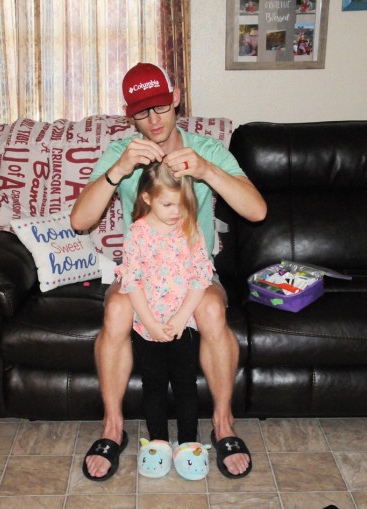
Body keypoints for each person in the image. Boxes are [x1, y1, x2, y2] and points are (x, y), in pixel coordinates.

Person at [70, 62, 267, 481]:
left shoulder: (205, 149)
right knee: (117, 313)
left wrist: (206, 171)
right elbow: (79, 221)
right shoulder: (121, 153)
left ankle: (223, 424)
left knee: (212, 312)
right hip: (141, 273)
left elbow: (257, 209)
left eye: (160, 107)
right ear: (130, 114)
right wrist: (117, 170)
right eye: (142, 113)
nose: (154, 121)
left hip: (192, 272)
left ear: (175, 98)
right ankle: (113, 429)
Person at [119, 162, 211, 478]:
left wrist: (182, 317)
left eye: (181, 203)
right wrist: (151, 324)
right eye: (167, 203)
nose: (176, 211)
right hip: (147, 329)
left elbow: (200, 277)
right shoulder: (138, 234)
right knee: (154, 386)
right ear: (147, 197)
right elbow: (132, 282)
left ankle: (188, 444)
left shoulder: (190, 230)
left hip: (183, 327)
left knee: (186, 386)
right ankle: (157, 442)